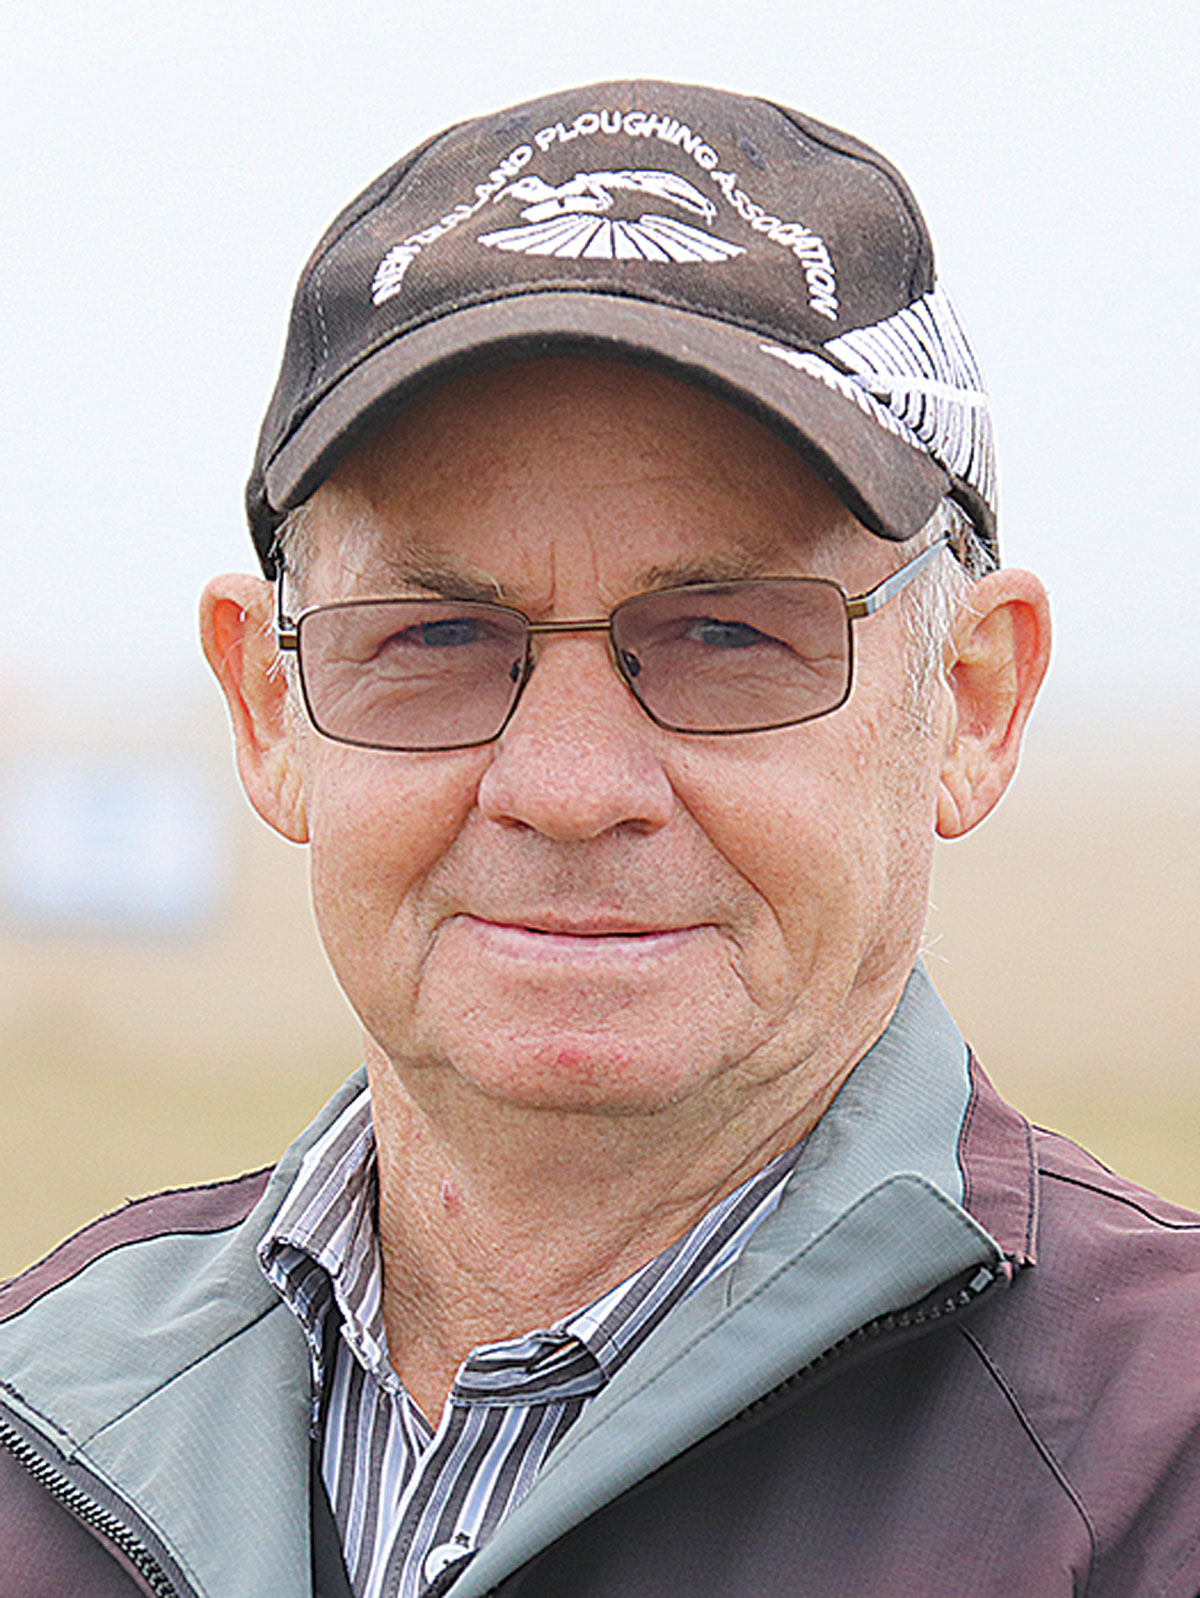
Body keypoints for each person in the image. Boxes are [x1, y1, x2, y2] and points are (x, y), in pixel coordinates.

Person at [1, 78, 1198, 1598]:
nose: (567, 784)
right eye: (436, 636)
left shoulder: (1155, 1473)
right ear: (269, 708)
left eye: (722, 634)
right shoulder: (37, 1424)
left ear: (968, 700)